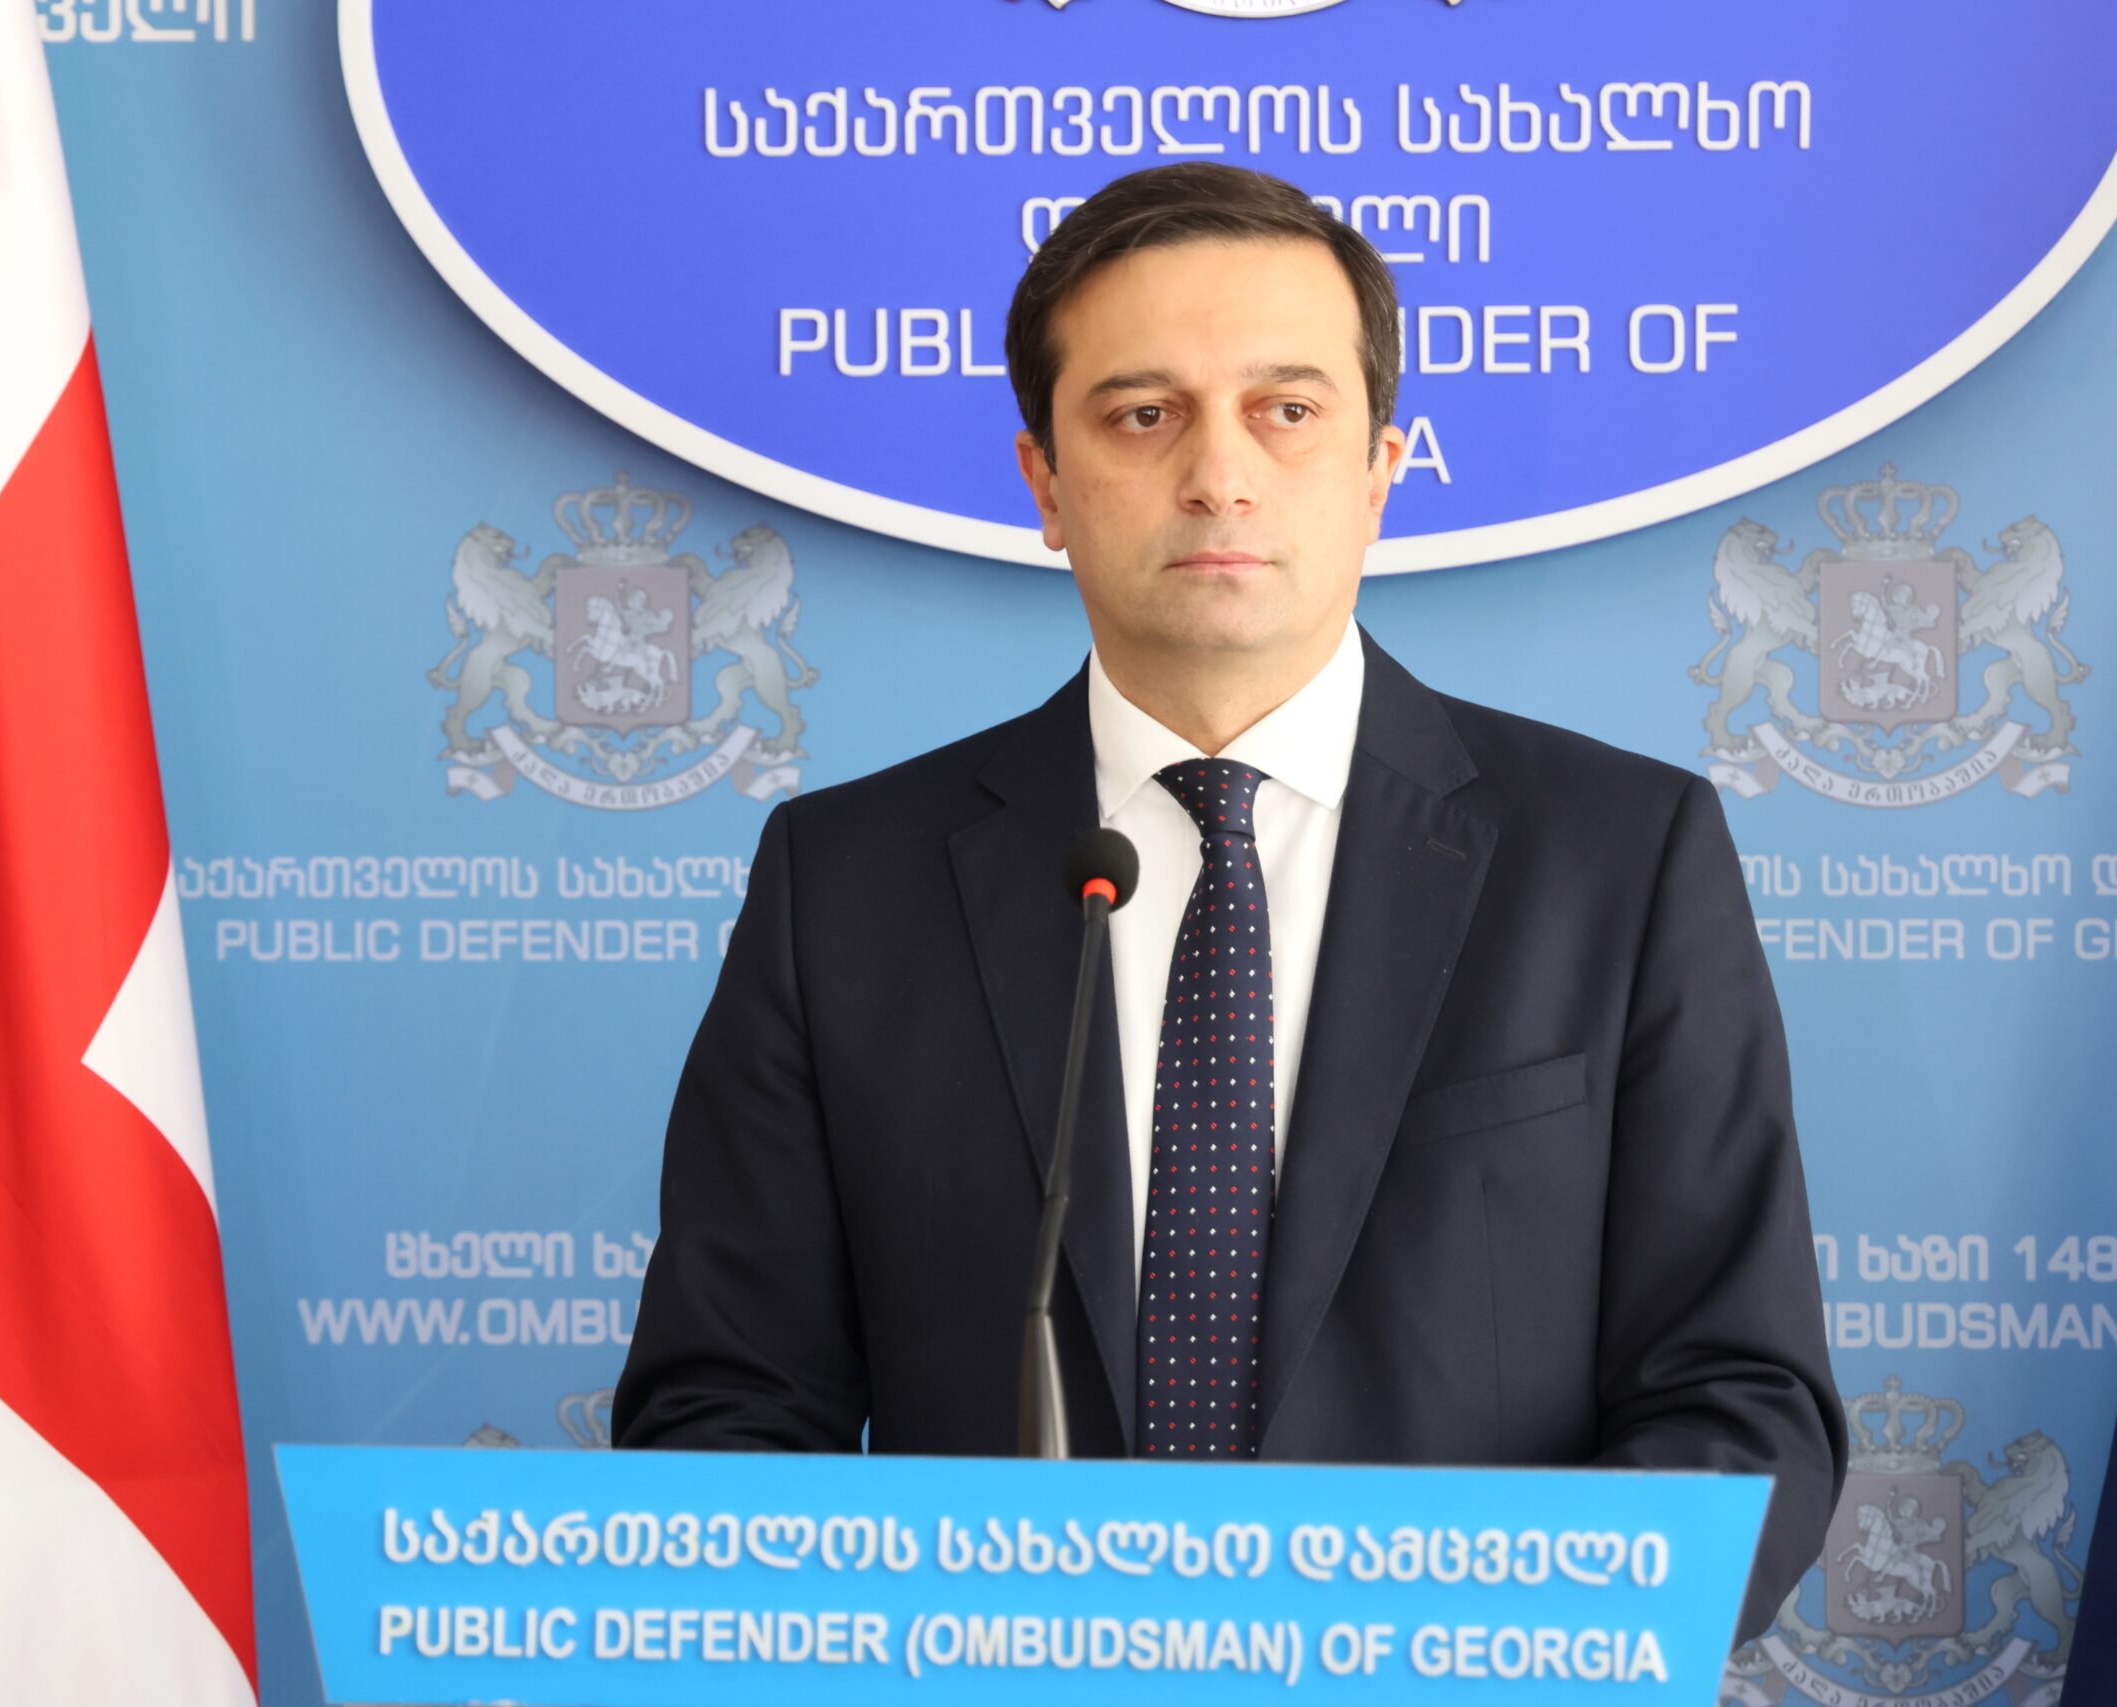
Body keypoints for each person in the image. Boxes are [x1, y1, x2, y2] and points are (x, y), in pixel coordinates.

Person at [614, 161, 1843, 1641]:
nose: (1219, 474)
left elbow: (1743, 1404)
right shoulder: (847, 884)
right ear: (1045, 482)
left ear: (1382, 468)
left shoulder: (1620, 857)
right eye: (1144, 415)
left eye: (1288, 410)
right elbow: (728, 1411)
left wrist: (1485, 1656)